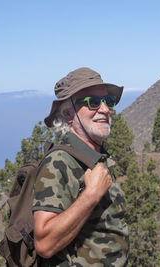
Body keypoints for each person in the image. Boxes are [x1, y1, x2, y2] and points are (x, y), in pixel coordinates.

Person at [32, 67, 129, 266]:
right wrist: (91, 195)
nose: (105, 109)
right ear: (69, 115)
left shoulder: (97, 159)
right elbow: (44, 244)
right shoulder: (59, 162)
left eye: (108, 101)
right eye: (93, 102)